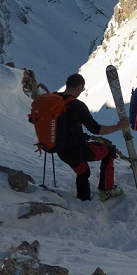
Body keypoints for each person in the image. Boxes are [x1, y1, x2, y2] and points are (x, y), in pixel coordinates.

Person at [57, 73, 130, 201]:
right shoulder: (76, 105)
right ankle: (107, 189)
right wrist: (120, 126)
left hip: (60, 149)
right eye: (83, 89)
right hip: (75, 149)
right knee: (109, 151)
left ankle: (83, 199)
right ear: (79, 86)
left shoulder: (54, 100)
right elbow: (97, 129)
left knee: (83, 171)